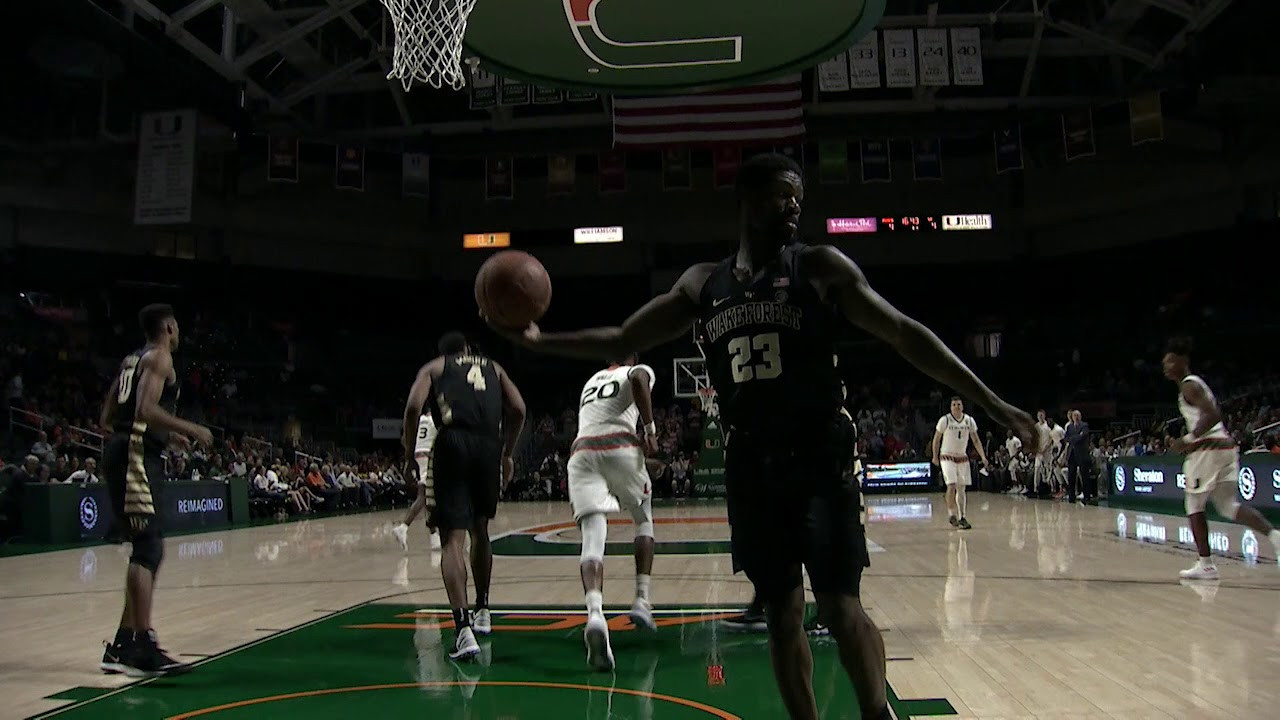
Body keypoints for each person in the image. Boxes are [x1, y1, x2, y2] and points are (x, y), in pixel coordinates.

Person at [488, 152, 1038, 720]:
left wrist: (993, 403)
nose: (794, 206)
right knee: (781, 613)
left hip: (820, 456)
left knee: (839, 606)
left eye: (799, 197)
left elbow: (903, 333)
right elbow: (625, 335)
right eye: (782, 195)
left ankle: (877, 711)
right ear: (747, 201)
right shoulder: (704, 283)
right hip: (751, 464)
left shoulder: (819, 266)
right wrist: (538, 340)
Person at [98, 304, 213, 677]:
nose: (178, 331)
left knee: (145, 545)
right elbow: (146, 409)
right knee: (148, 546)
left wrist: (167, 435)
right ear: (167, 326)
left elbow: (106, 417)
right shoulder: (160, 356)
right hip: (134, 452)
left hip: (125, 447)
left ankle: (123, 645)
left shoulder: (132, 359)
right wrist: (191, 428)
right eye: (176, 325)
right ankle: (143, 647)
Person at [401, 332, 525, 661]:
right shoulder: (494, 368)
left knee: (451, 540)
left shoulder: (435, 367)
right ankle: (483, 609)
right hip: (488, 445)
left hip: (452, 443)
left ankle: (463, 629)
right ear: (469, 350)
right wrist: (507, 454)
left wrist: (407, 454)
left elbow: (414, 407)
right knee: (480, 530)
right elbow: (519, 409)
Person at [568, 354, 660, 670]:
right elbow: (638, 380)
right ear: (632, 356)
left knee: (592, 538)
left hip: (581, 452)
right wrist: (650, 429)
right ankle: (641, 599)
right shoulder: (636, 370)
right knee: (643, 517)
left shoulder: (591, 381)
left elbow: (598, 426)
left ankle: (595, 613)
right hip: (620, 445)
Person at [1161, 337, 1280, 580]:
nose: (1167, 366)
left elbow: (1214, 414)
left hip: (1208, 451)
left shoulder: (1189, 386)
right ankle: (1276, 537)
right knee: (1228, 507)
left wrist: (1188, 439)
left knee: (1193, 505)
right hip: (1225, 449)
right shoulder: (1194, 385)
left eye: (1171, 361)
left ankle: (1206, 565)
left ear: (1183, 361)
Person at [932, 397, 991, 530]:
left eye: (959, 404)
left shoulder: (969, 420)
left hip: (962, 457)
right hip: (947, 456)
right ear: (950, 407)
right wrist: (935, 456)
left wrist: (983, 456)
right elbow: (936, 439)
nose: (957, 406)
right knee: (951, 484)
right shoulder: (945, 420)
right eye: (954, 404)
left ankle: (962, 517)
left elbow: (975, 439)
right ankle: (951, 514)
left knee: (961, 488)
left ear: (962, 406)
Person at [392, 411, 442, 553]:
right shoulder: (436, 420)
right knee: (424, 496)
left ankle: (434, 537)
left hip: (417, 455)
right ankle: (403, 527)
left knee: (427, 497)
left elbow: (404, 438)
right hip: (428, 456)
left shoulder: (420, 419)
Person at [1061, 410, 1093, 502]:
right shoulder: (1069, 427)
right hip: (1072, 454)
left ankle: (1087, 495)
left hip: (1082, 454)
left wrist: (1073, 439)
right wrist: (1076, 437)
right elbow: (1066, 438)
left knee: (1084, 475)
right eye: (1074, 415)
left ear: (1080, 416)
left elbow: (1083, 436)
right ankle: (1071, 496)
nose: (1076, 417)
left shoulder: (1084, 425)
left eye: (1077, 415)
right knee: (1071, 476)